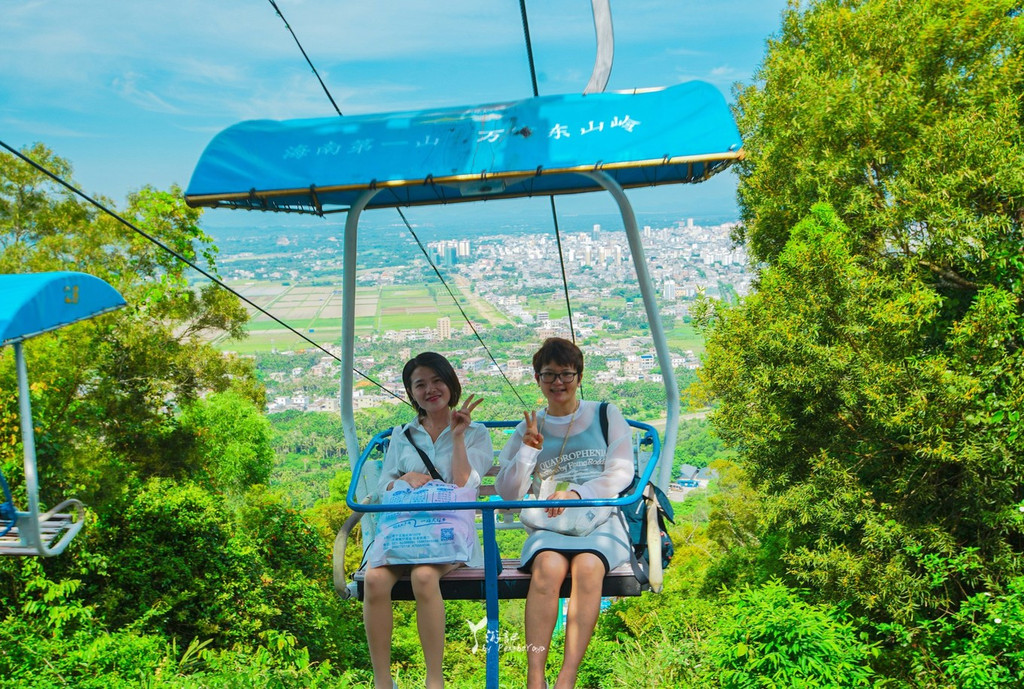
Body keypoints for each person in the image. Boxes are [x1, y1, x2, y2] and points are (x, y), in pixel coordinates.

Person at [495, 337, 634, 689]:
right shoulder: (529, 426)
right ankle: (535, 675)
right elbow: (507, 493)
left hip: (599, 516)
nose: (558, 383)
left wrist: (577, 492)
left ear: (579, 375)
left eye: (566, 375)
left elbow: (621, 471)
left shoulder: (605, 414)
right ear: (538, 379)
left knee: (589, 567)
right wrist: (527, 451)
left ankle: (567, 677)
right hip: (552, 520)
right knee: (548, 568)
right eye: (549, 375)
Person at [363, 352, 493, 689]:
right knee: (375, 581)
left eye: (437, 381)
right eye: (420, 384)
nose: (430, 389)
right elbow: (382, 488)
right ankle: (382, 680)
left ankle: (434, 679)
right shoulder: (402, 435)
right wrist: (403, 479)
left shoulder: (476, 433)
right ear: (411, 393)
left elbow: (467, 485)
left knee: (423, 576)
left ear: (450, 383)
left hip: (449, 534)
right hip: (407, 533)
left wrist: (459, 436)